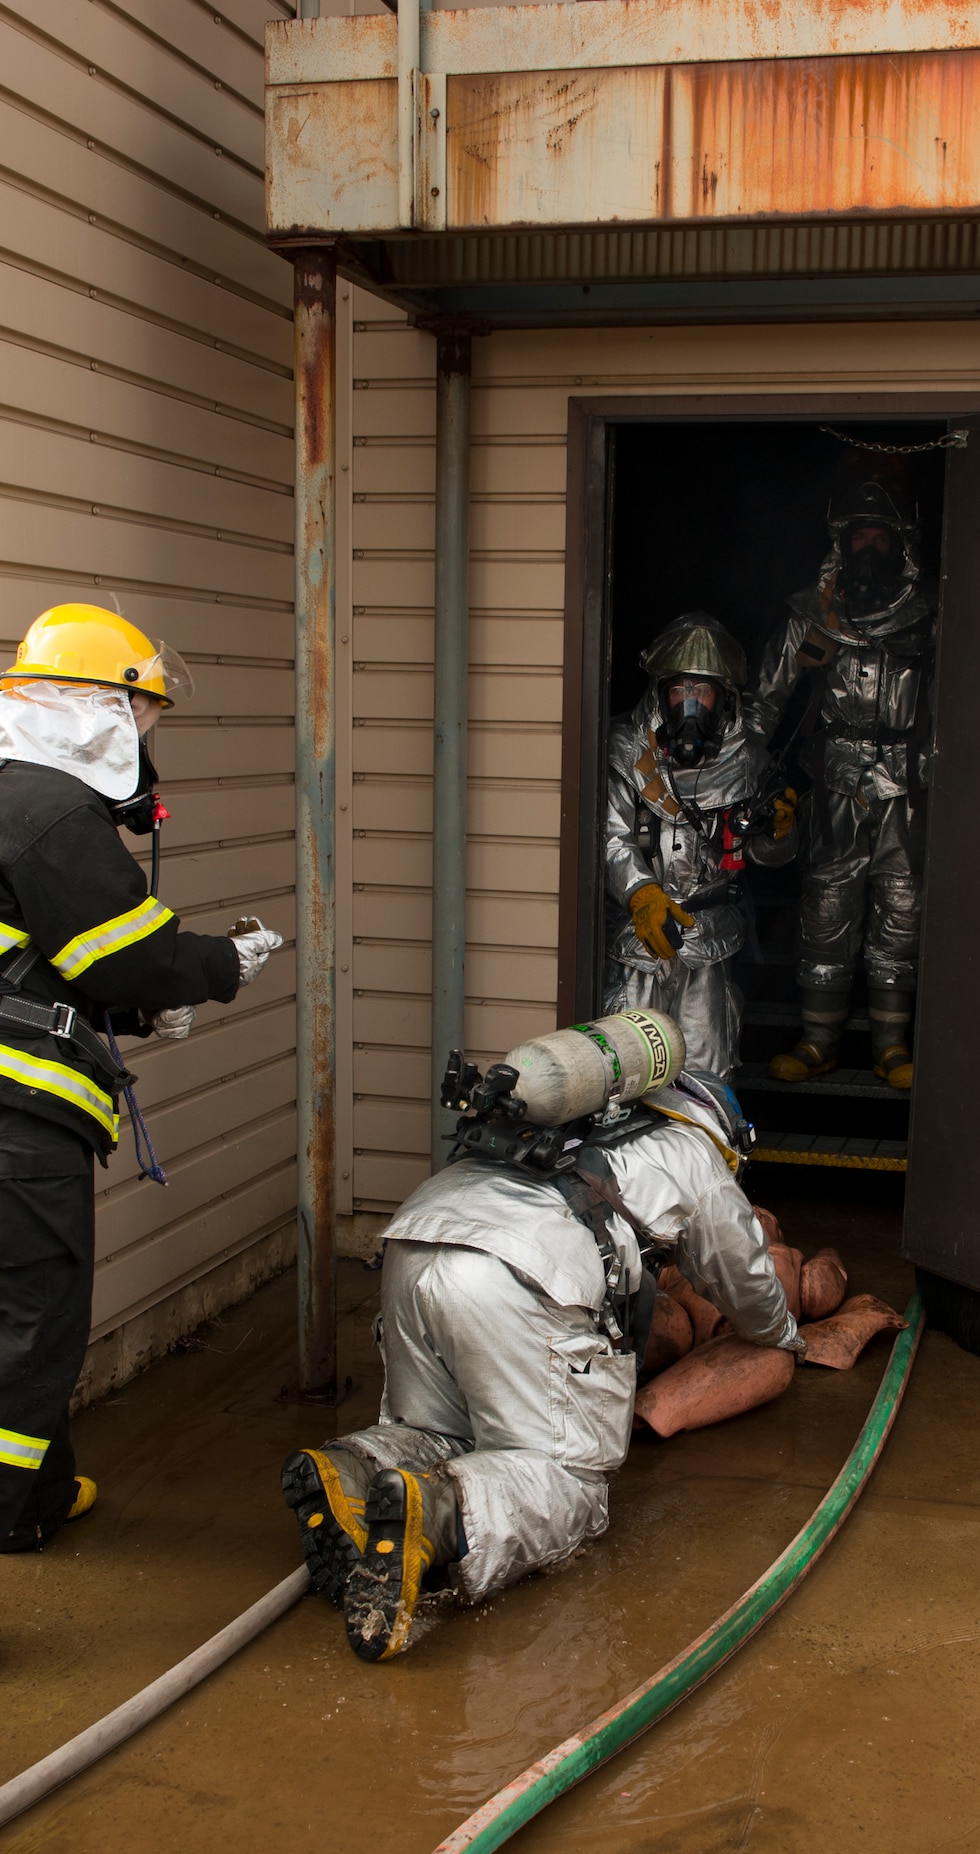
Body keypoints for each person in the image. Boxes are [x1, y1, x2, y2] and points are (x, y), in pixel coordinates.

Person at [0, 603, 283, 1664]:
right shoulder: (47, 808)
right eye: (139, 707)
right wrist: (223, 964)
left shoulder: (0, 794)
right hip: (8, 1115)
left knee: (1, 1310)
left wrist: (137, 996)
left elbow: (54, 961)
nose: (145, 732)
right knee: (21, 1328)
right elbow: (133, 957)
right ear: (96, 708)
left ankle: (30, 1498)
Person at [281, 1057, 803, 1664]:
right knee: (568, 1480)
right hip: (518, 1271)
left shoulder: (578, 1121)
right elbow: (745, 1282)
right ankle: (441, 1518)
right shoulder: (695, 1152)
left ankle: (351, 1467)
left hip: (413, 1245)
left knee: (438, 1432)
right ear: (724, 1132)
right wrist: (782, 1331)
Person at [747, 476, 936, 1089]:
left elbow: (963, 706)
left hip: (906, 786)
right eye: (860, 534)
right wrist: (739, 777)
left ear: (900, 543)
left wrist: (916, 770)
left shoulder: (932, 617)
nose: (869, 545)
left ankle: (891, 1045)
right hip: (832, 785)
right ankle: (818, 1040)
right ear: (842, 542)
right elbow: (763, 705)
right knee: (827, 907)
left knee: (901, 908)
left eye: (880, 534)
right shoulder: (810, 614)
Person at [604, 614, 796, 1078]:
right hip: (637, 941)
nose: (690, 703)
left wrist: (778, 834)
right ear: (661, 692)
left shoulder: (750, 760)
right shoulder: (626, 749)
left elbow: (764, 859)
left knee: (707, 1073)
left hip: (711, 941)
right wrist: (641, 894)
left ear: (722, 698)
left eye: (701, 691)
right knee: (625, 1073)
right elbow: (612, 835)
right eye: (679, 690)